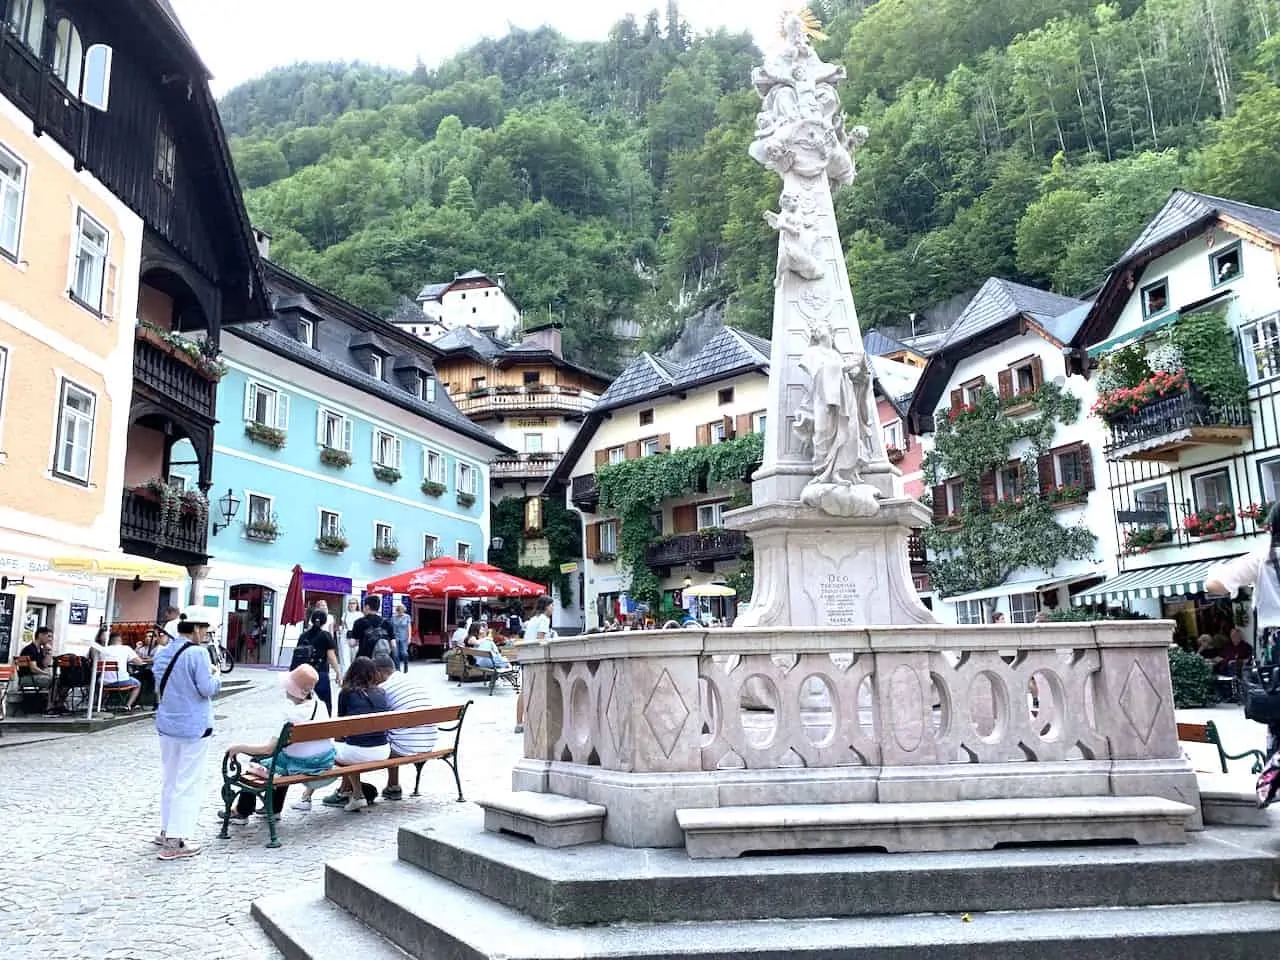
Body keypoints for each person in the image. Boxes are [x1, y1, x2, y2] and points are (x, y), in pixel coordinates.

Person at [1204, 510, 1280, 770]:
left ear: (1270, 528)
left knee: (1277, 712)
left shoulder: (1263, 558)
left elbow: (1213, 585)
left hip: (1275, 645)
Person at [223, 664, 337, 819]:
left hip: (301, 764)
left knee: (258, 759)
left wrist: (239, 747)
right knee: (281, 759)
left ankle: (242, 811)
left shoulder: (290, 715)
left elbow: (269, 749)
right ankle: (274, 808)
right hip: (323, 760)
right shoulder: (321, 706)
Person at [152, 607, 221, 860]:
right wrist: (216, 676)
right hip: (193, 726)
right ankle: (176, 839)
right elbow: (206, 689)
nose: (205, 635)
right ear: (195, 629)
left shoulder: (162, 653)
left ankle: (165, 829)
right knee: (188, 781)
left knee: (170, 779)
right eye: (204, 629)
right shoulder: (198, 654)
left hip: (167, 724)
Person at [320, 656, 390, 812]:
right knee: (351, 747)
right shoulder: (381, 692)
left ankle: (354, 794)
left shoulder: (346, 693)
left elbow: (341, 728)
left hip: (358, 752)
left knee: (340, 748)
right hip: (383, 751)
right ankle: (354, 793)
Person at [371, 653, 435, 800]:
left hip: (407, 747)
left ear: (379, 672)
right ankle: (392, 785)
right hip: (428, 743)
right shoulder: (409, 680)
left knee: (386, 737)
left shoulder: (383, 688)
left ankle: (393, 786)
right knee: (396, 732)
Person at [292, 610, 340, 713]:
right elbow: (331, 656)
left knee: (305, 703)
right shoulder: (326, 635)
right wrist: (338, 673)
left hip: (304, 674)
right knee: (324, 703)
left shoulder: (303, 636)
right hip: (320, 673)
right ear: (324, 622)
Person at [100, 631, 144, 710]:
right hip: (119, 682)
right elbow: (139, 662)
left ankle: (102, 705)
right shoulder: (126, 648)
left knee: (108, 680)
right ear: (120, 640)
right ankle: (127, 705)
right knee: (138, 684)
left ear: (110, 640)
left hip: (103, 682)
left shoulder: (102, 650)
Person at [340, 599, 362, 669]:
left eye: (353, 603)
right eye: (350, 603)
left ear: (357, 605)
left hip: (356, 636)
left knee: (355, 656)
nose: (351, 605)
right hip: (346, 636)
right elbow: (342, 625)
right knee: (345, 656)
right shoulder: (345, 614)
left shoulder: (360, 614)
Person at [390, 603, 411, 673]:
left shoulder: (407, 617)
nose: (400, 612)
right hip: (395, 637)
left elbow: (409, 627)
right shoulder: (393, 618)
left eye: (402, 611)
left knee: (404, 653)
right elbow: (391, 628)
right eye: (399, 611)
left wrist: (409, 637)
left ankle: (406, 664)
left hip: (404, 637)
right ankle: (398, 669)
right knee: (395, 654)